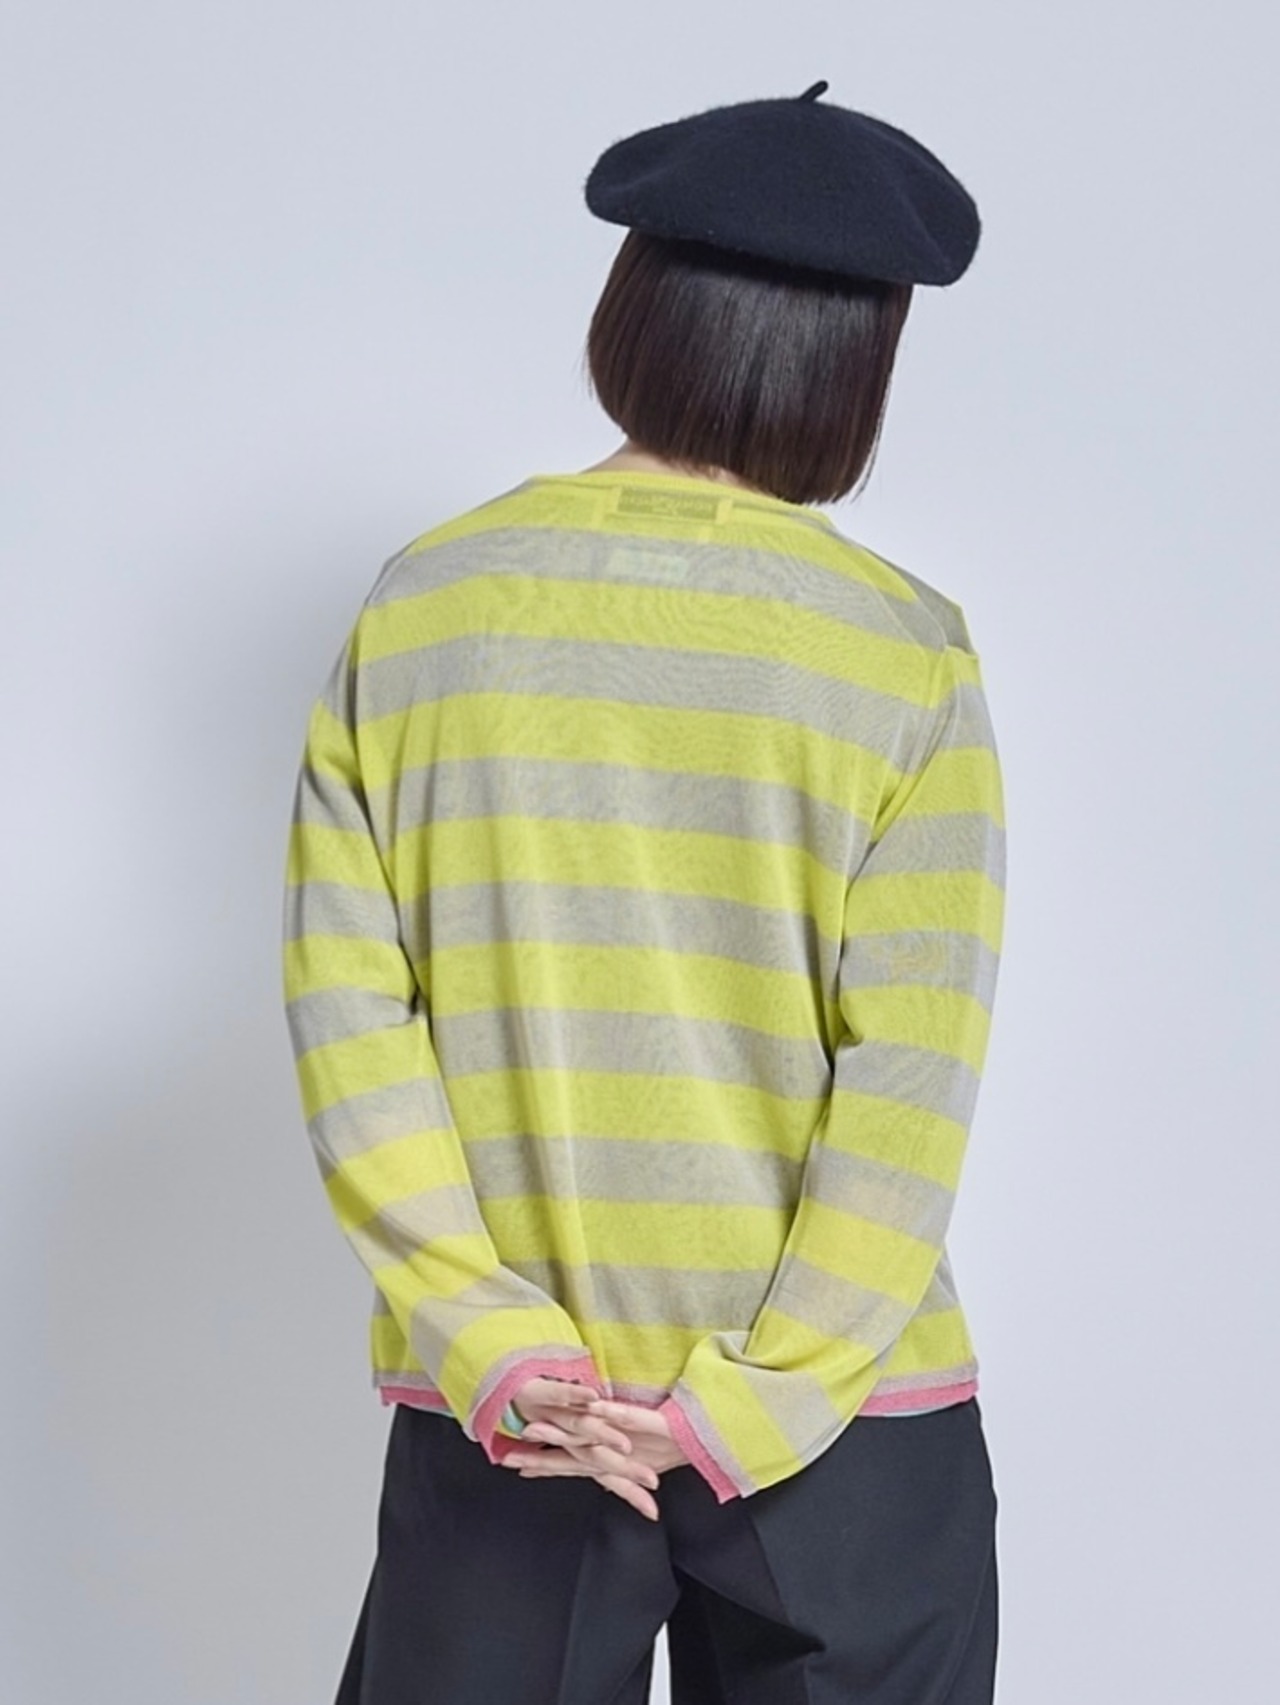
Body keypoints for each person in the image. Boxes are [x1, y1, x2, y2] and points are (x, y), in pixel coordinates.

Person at [282, 80, 1005, 1704]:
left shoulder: (425, 608)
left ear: (635, 311)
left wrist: (494, 1339)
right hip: (841, 1437)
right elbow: (910, 1080)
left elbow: (351, 1023)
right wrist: (757, 1394)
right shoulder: (903, 653)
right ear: (858, 362)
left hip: (519, 1424)